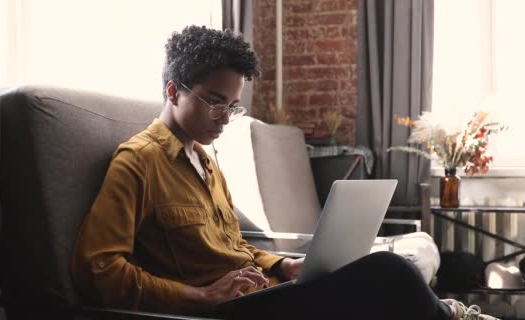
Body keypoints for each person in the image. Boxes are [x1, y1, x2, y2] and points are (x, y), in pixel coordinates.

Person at [71, 25, 497, 320]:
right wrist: (200, 296)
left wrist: (283, 265)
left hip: (264, 296)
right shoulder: (138, 162)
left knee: (383, 269)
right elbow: (99, 270)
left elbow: (234, 248)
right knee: (390, 273)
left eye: (233, 106)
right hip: (226, 312)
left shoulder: (205, 161)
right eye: (215, 101)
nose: (224, 118)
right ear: (172, 90)